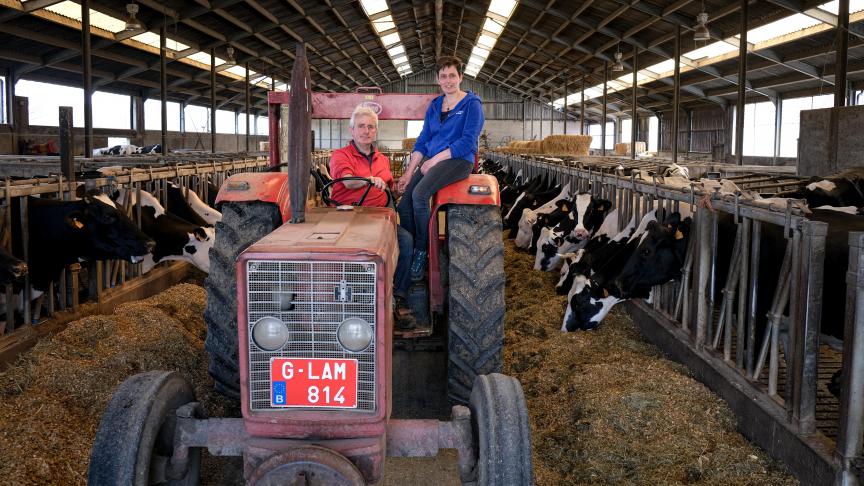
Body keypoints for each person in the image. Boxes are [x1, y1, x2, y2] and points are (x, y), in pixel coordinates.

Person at [396, 56, 484, 281]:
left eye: (452, 75)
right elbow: (423, 140)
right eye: (443, 76)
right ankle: (410, 247)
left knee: (420, 195)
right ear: (437, 79)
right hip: (433, 160)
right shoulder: (435, 106)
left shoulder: (472, 105)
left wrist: (434, 161)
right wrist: (408, 172)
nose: (448, 80)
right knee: (404, 203)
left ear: (460, 77)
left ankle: (422, 250)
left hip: (458, 160)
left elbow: (468, 141)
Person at [329, 105, 416, 327]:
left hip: (380, 218)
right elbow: (347, 181)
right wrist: (368, 179)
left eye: (370, 127)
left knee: (405, 240)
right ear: (352, 130)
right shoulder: (341, 155)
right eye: (361, 126)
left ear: (375, 131)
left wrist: (399, 189)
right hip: (349, 216)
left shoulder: (382, 159)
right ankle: (346, 297)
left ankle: (398, 295)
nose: (366, 131)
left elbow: (387, 188)